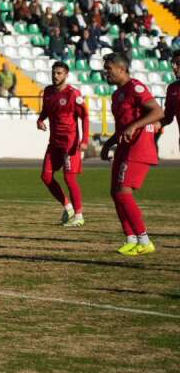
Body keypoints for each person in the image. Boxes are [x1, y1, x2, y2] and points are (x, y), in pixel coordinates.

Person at [99, 53, 164, 256]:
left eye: (108, 69)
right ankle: (131, 239)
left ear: (121, 69)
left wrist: (135, 125)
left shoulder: (136, 87)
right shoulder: (117, 95)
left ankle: (144, 240)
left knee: (123, 193)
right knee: (115, 193)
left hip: (139, 146)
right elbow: (122, 127)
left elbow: (157, 112)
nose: (105, 72)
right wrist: (107, 144)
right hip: (123, 147)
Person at [36, 62, 89, 228]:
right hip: (54, 142)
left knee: (69, 177)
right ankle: (68, 208)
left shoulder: (74, 94)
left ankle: (79, 216)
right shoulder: (48, 91)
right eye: (54, 73)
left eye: (59, 73)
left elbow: (85, 117)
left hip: (69, 143)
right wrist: (40, 120)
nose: (55, 76)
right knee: (46, 177)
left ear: (66, 74)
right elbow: (46, 110)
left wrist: (85, 140)